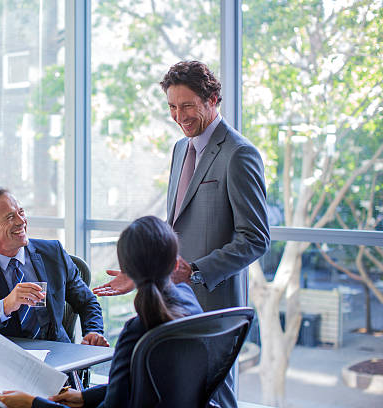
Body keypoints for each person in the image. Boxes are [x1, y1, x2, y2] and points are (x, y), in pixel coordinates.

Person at [93, 60, 270, 408]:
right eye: (172, 107)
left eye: (187, 105)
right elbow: (174, 227)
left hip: (212, 304)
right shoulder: (179, 149)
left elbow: (255, 238)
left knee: (216, 398)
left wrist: (196, 270)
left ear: (213, 99)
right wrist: (145, 274)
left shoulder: (239, 154)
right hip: (170, 300)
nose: (179, 116)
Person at [0, 216, 203, 408]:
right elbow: (135, 383)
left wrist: (32, 403)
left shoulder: (137, 329)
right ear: (176, 265)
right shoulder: (189, 301)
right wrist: (86, 397)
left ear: (125, 270)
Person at [0, 187, 107, 346]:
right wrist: (5, 306)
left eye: (21, 212)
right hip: (5, 359)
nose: (21, 221)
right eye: (10, 217)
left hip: (58, 355)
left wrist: (93, 332)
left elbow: (87, 302)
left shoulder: (53, 252)